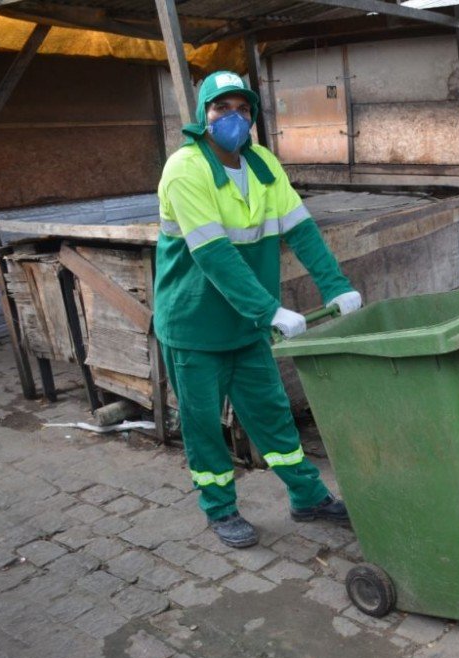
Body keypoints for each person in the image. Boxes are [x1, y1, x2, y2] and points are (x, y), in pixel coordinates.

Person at [155, 71, 362, 548]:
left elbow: (302, 231)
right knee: (204, 425)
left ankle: (308, 498)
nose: (233, 117)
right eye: (220, 108)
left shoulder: (264, 164)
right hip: (195, 326)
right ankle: (220, 509)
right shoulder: (186, 169)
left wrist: (337, 285)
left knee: (272, 414)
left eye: (242, 108)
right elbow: (214, 255)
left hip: (247, 325)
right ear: (202, 117)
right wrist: (271, 309)